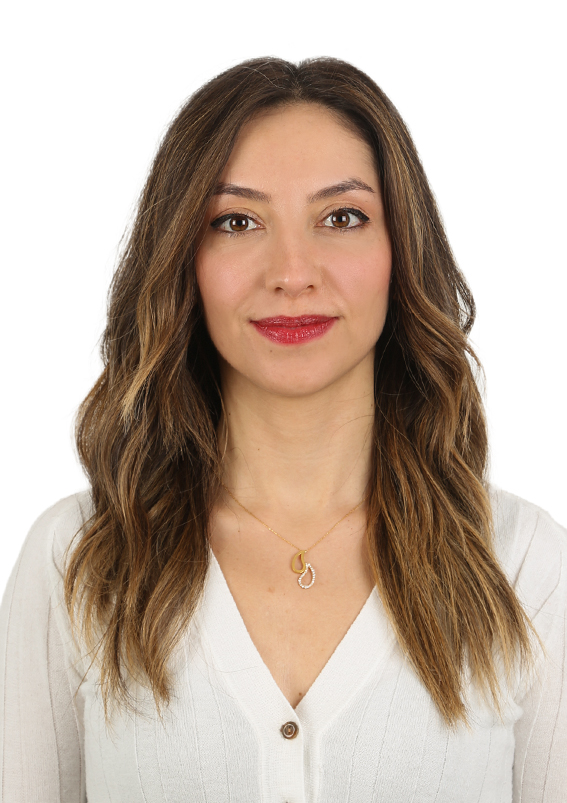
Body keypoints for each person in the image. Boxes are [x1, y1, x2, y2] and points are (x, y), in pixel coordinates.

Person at [0, 56, 565, 803]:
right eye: (237, 222)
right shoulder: (79, 560)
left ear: (401, 251)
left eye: (341, 217)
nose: (292, 272)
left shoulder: (521, 566)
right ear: (184, 259)